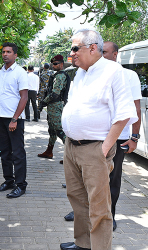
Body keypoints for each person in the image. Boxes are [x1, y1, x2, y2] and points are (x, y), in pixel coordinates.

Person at [60, 29, 137, 250]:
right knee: (77, 198)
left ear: (93, 48)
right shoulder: (81, 73)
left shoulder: (113, 71)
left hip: (95, 148)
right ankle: (83, 244)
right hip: (72, 146)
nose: (71, 54)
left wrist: (104, 148)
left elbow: (124, 113)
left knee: (99, 207)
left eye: (75, 48)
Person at [103, 41, 142, 231]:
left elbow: (136, 108)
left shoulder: (129, 75)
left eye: (105, 52)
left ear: (115, 54)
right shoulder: (94, 73)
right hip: (95, 135)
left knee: (113, 177)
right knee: (87, 176)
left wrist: (134, 137)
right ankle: (83, 212)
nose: (101, 55)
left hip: (118, 136)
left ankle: (109, 215)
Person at [0, 42, 28, 199]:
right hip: (0, 118)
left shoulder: (20, 72)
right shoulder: (0, 73)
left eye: (8, 52)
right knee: (5, 152)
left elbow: (24, 97)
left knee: (17, 153)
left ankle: (20, 185)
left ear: (15, 55)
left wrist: (15, 119)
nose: (5, 54)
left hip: (14, 120)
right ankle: (9, 181)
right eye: (3, 52)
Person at [38, 55, 69, 163]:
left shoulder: (60, 76)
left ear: (61, 64)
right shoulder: (56, 75)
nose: (53, 65)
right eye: (53, 64)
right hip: (53, 106)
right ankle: (49, 151)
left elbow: (55, 93)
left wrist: (43, 102)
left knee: (59, 130)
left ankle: (70, 156)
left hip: (55, 105)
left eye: (55, 64)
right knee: (52, 130)